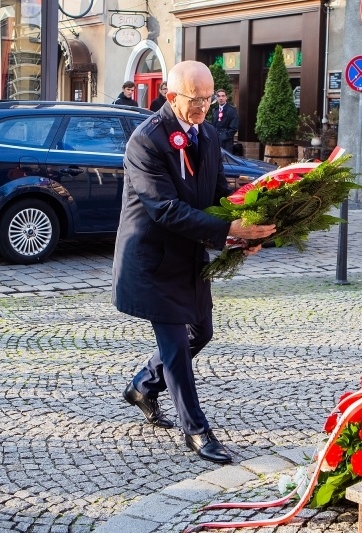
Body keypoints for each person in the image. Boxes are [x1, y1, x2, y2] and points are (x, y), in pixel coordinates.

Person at [113, 61, 276, 464]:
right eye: (195, 99)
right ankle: (197, 431)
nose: (204, 106)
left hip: (190, 255)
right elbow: (165, 208)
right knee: (175, 347)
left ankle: (142, 387)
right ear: (171, 97)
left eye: (208, 98)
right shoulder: (146, 140)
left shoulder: (207, 132)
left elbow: (218, 196)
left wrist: (239, 237)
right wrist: (227, 230)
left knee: (200, 333)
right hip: (153, 260)